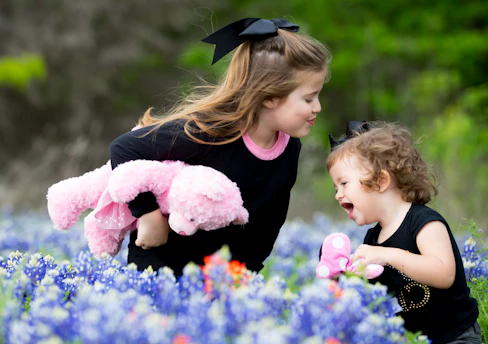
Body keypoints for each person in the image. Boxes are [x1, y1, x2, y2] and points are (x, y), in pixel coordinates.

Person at [110, 17, 332, 277]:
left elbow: (267, 224)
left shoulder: (289, 147)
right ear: (270, 98)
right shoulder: (209, 132)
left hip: (221, 277)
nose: (317, 107)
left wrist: (245, 275)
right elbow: (124, 148)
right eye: (308, 98)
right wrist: (148, 214)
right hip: (160, 265)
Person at [327, 121, 481, 344]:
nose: (338, 195)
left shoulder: (423, 222)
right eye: (335, 188)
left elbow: (444, 274)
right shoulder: (373, 239)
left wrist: (388, 255)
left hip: (454, 336)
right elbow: (376, 294)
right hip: (407, 338)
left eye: (343, 184)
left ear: (380, 181)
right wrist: (347, 277)